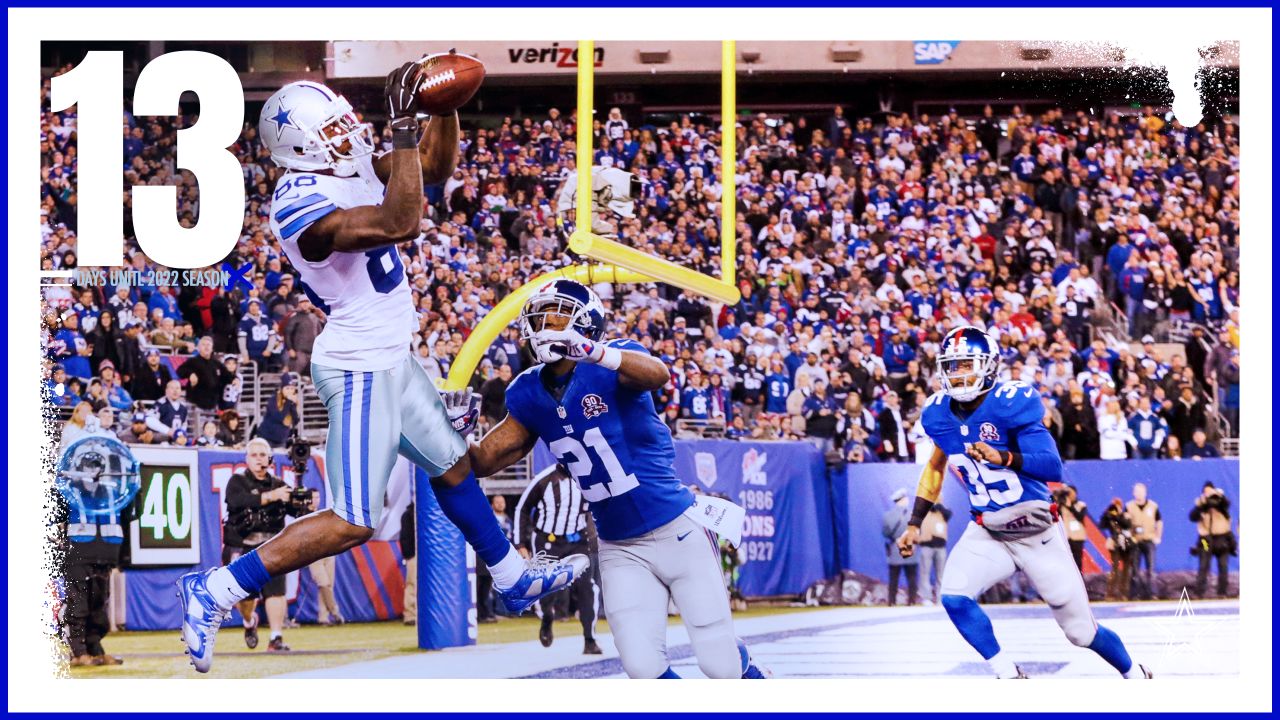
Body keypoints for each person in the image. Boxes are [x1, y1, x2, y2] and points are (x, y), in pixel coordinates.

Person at [177, 66, 587, 673]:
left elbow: (433, 170)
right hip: (359, 363)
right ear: (300, 146)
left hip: (392, 355)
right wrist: (399, 126)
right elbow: (402, 222)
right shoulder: (298, 202)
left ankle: (511, 575)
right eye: (335, 129)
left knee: (453, 467)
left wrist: (442, 107)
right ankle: (216, 589)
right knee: (352, 521)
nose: (349, 135)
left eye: (347, 122)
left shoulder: (347, 166)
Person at [467, 278, 768, 679]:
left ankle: (747, 668)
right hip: (618, 546)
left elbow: (657, 374)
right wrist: (455, 434)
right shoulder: (526, 392)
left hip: (676, 528)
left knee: (720, 663)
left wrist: (596, 353)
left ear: (586, 323)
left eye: (556, 315)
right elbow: (484, 460)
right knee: (643, 668)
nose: (543, 324)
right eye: (539, 316)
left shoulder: (617, 361)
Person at [896, 326, 1150, 679]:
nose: (959, 375)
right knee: (954, 596)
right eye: (952, 367)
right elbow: (936, 465)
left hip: (1036, 530)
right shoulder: (939, 414)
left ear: (988, 366)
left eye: (966, 365)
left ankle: (1135, 673)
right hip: (988, 529)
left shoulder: (1010, 403)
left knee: (1081, 633)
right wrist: (914, 523)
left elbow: (1052, 466)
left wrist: (1004, 458)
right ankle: (1007, 673)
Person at [222, 438, 316, 652]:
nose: (258, 459)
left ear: (270, 459)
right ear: (247, 459)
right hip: (244, 546)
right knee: (245, 597)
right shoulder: (237, 481)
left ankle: (276, 638)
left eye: (262, 455)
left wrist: (306, 504)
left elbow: (298, 513)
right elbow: (238, 502)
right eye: (254, 455)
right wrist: (272, 496)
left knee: (276, 592)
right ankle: (249, 622)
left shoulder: (279, 484)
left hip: (273, 545)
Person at [513, 464, 601, 654]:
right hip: (548, 541)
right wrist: (520, 544)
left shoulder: (587, 477)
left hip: (577, 539)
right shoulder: (544, 479)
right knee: (545, 587)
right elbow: (522, 508)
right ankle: (546, 618)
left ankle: (589, 638)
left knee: (587, 587)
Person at [1190, 482, 1236, 598]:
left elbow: (1226, 504)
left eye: (1210, 491)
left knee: (1223, 565)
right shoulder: (1201, 505)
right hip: (1206, 540)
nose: (1208, 494)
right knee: (1204, 564)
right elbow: (1192, 517)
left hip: (1222, 539)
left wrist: (1218, 496)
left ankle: (1222, 592)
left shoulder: (1221, 503)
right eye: (1206, 492)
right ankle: (1199, 592)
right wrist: (1201, 504)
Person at [1125, 483, 1162, 600]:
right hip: (1135, 541)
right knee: (1135, 570)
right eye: (1136, 491)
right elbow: (1124, 523)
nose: (1139, 494)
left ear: (1145, 493)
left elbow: (1159, 522)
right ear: (1133, 493)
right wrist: (1129, 537)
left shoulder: (1153, 506)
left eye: (1141, 491)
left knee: (1151, 570)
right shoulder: (1129, 506)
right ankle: (1135, 594)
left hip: (1149, 540)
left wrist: (1158, 536)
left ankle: (1152, 594)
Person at [882, 489, 919, 606]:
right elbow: (917, 531)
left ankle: (892, 601)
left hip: (895, 548)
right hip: (909, 547)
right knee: (911, 577)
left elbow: (885, 533)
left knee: (893, 577)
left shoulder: (887, 516)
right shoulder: (912, 515)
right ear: (902, 500)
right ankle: (912, 601)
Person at [1099, 498, 1135, 601]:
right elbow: (1102, 525)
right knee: (1114, 568)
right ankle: (1111, 593)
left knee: (1126, 569)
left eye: (1118, 506)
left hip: (1126, 544)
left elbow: (1126, 524)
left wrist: (1118, 515)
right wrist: (1107, 515)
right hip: (1115, 544)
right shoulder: (1110, 517)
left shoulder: (1125, 515)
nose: (1115, 509)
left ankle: (1123, 593)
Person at [917, 501, 951, 604]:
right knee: (924, 573)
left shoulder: (942, 512)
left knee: (941, 574)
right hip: (926, 546)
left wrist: (939, 505)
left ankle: (940, 598)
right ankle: (926, 598)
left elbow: (949, 514)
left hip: (940, 547)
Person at [254, 372, 301, 448]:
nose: (289, 391)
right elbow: (278, 417)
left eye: (292, 388)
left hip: (281, 440)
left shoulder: (292, 402)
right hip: (266, 437)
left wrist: (293, 405)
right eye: (287, 388)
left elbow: (295, 421)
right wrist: (288, 402)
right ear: (282, 389)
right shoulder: (273, 400)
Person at [1055, 485, 1089, 571]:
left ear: (1075, 493)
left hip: (1077, 536)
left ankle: (1079, 579)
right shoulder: (1062, 505)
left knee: (1077, 559)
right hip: (1066, 535)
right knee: (1066, 559)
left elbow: (1080, 516)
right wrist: (1058, 499)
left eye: (1070, 492)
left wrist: (1070, 506)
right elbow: (1057, 516)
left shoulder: (1081, 504)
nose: (1069, 494)